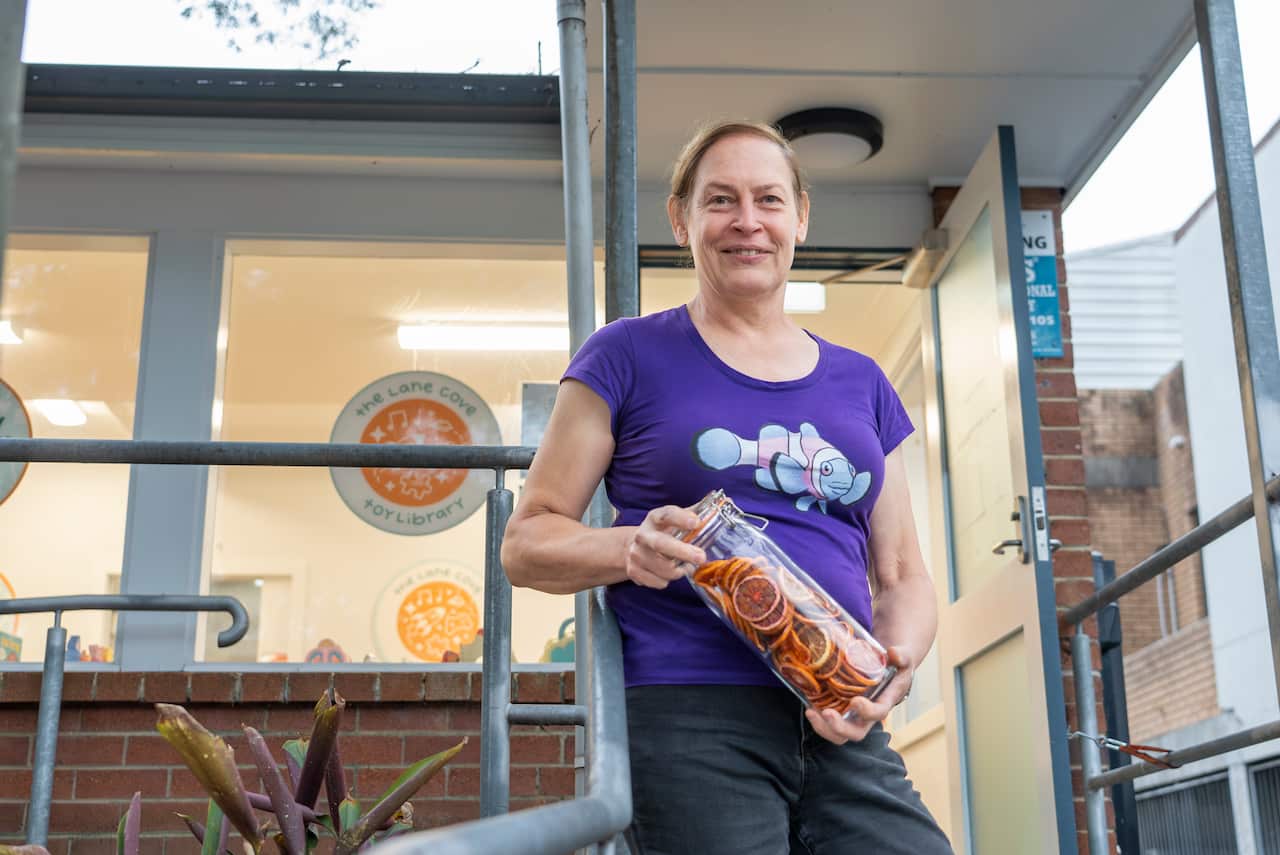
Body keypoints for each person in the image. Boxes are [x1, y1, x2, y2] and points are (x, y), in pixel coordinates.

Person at [502, 119, 952, 854]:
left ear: (800, 218)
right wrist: (628, 548)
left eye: (769, 199)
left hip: (836, 707)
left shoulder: (863, 381)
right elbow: (526, 542)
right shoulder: (624, 355)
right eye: (721, 200)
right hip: (689, 713)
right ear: (682, 220)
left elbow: (902, 575)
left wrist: (892, 668)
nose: (748, 221)